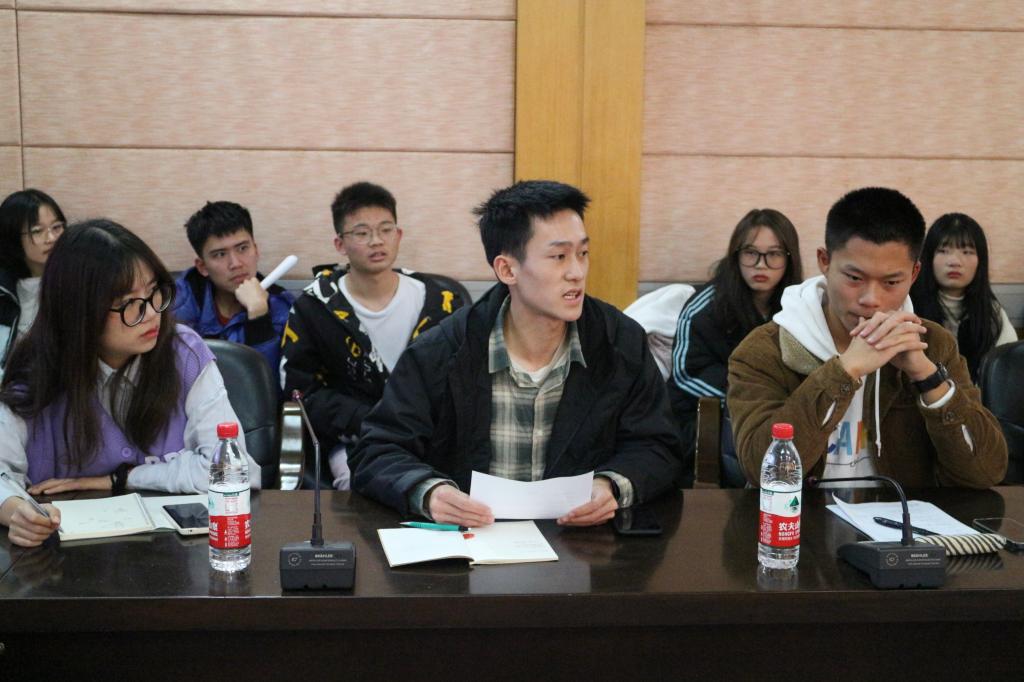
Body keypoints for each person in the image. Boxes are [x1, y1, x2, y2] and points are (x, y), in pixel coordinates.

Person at [349, 180, 682, 527]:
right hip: (470, 543)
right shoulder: (441, 351)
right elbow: (377, 450)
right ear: (507, 269)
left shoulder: (620, 342)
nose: (577, 272)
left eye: (582, 253)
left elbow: (658, 445)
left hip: (582, 544)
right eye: (559, 257)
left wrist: (611, 484)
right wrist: (429, 491)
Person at [0, 219, 259, 548]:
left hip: (174, 557)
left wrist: (121, 478)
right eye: (129, 304)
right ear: (79, 312)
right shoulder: (36, 369)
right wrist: (15, 511)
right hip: (65, 557)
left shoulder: (184, 353)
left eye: (153, 293)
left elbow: (235, 470)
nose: (151, 314)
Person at [728, 187, 1007, 489]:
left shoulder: (932, 344)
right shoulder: (766, 349)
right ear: (825, 261)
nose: (870, 299)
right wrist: (845, 370)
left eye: (891, 282)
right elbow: (763, 471)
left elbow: (987, 472)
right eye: (854, 278)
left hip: (899, 517)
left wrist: (927, 377)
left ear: (914, 274)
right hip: (802, 517)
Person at [280, 181, 465, 489]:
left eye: (385, 230)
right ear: (340, 244)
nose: (376, 241)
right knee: (367, 492)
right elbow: (300, 392)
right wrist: (367, 420)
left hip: (431, 437)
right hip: (356, 440)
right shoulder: (314, 307)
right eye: (362, 233)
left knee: (458, 491)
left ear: (399, 235)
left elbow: (463, 378)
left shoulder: (440, 302)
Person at [667, 209, 802, 486]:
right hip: (704, 414)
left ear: (789, 259)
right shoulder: (705, 305)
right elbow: (686, 374)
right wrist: (747, 398)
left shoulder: (800, 307)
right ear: (736, 255)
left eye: (774, 254)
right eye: (751, 253)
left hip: (775, 415)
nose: (761, 265)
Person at [174, 201, 294, 377]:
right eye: (220, 254)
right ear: (202, 266)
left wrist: (259, 317)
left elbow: (269, 385)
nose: (236, 263)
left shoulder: (283, 308)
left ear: (256, 250)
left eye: (243, 248)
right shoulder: (178, 300)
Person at [910, 213, 1017, 382]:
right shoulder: (909, 306)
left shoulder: (991, 312)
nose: (955, 261)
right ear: (928, 258)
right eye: (943, 251)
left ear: (980, 261)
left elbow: (1007, 368)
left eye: (967, 252)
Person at [0, 189, 67, 376]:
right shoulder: (4, 293)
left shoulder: (75, 283)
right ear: (12, 237)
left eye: (57, 227)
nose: (51, 238)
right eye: (37, 231)